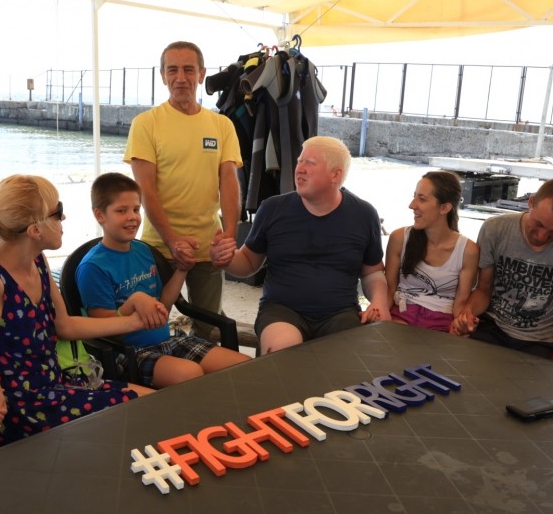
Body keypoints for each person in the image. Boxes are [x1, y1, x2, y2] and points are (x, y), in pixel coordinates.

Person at [0, 174, 155, 448]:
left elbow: (64, 326)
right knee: (145, 416)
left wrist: (134, 322)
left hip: (55, 387)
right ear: (34, 230)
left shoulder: (36, 261)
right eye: (58, 212)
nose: (63, 218)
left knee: (155, 404)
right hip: (19, 409)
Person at [209, 136, 391, 354]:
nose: (300, 169)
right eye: (299, 161)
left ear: (336, 174)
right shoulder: (273, 208)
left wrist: (379, 301)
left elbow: (372, 272)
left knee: (343, 362)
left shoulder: (364, 214)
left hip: (340, 313)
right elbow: (248, 262)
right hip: (281, 311)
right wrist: (226, 259)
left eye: (310, 163)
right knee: (284, 351)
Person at [75, 173, 250, 388]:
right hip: (127, 353)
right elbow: (102, 328)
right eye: (121, 211)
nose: (132, 217)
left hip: (167, 340)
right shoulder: (93, 267)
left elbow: (163, 307)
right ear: (99, 215)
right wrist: (133, 304)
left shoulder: (143, 251)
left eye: (136, 209)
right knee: (192, 374)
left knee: (243, 366)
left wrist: (183, 269)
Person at [125, 41, 242, 339]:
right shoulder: (146, 124)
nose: (180, 78)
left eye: (189, 70)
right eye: (172, 70)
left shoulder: (222, 125)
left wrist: (229, 237)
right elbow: (145, 191)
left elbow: (229, 183)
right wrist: (172, 240)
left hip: (208, 246)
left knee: (208, 327)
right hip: (158, 246)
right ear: (163, 75)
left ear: (201, 74)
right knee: (151, 325)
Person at [450, 179, 553, 358]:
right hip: (492, 327)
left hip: (540, 340)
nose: (542, 236)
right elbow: (483, 289)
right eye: (539, 224)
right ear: (531, 203)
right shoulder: (495, 229)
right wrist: (467, 312)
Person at [385, 171, 478, 333]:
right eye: (414, 196)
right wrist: (379, 314)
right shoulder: (399, 238)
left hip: (441, 324)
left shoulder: (467, 251)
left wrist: (461, 325)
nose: (412, 205)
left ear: (444, 208)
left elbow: (460, 305)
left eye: (422, 199)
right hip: (401, 315)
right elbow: (389, 291)